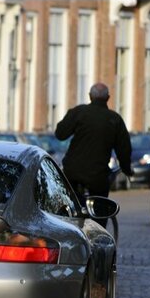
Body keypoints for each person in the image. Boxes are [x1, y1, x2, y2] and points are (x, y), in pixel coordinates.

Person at [54, 82, 133, 226]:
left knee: (70, 202)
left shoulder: (79, 112)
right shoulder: (115, 119)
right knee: (100, 208)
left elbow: (60, 133)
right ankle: (98, 233)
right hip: (98, 174)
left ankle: (69, 224)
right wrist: (127, 169)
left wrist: (71, 117)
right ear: (108, 98)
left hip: (73, 171)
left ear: (90, 96)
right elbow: (124, 148)